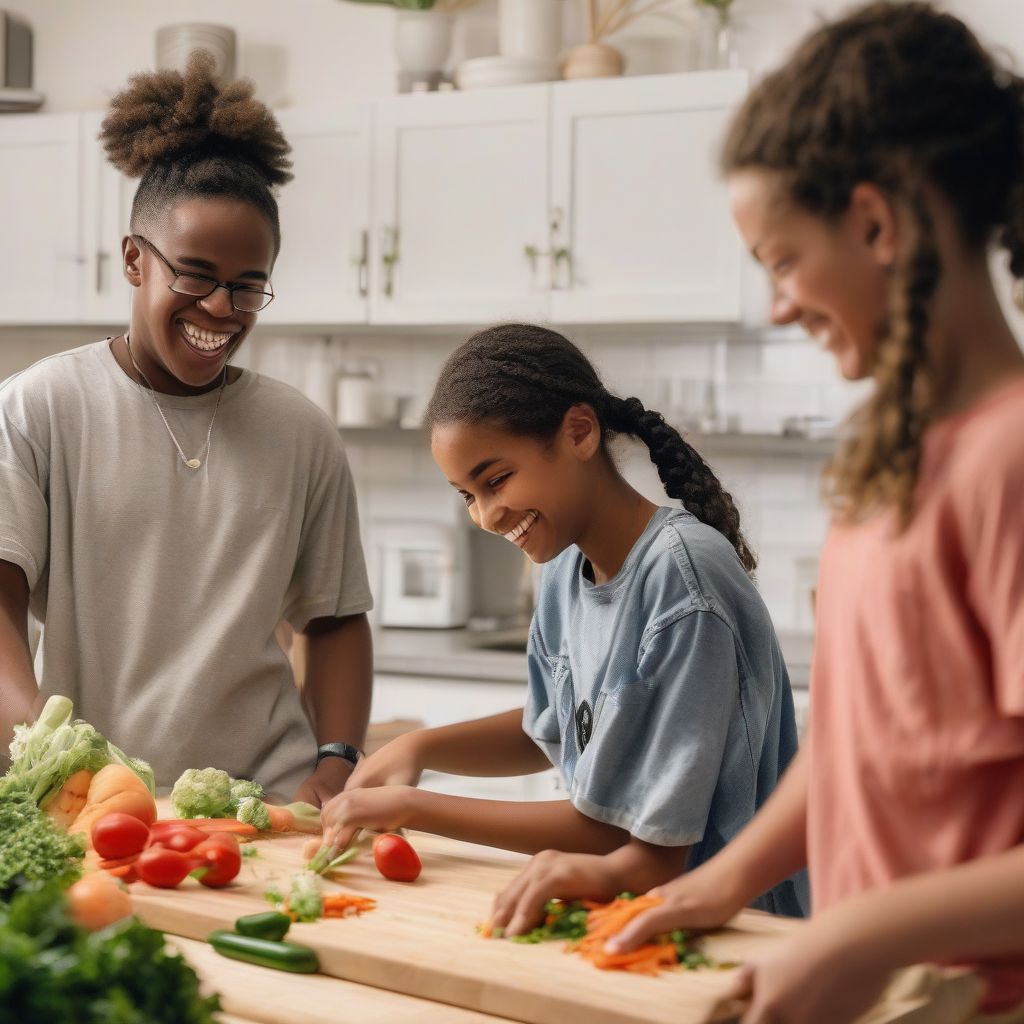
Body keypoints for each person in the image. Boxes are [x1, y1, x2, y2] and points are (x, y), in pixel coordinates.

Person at [587, 4, 1024, 1022]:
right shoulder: (892, 460)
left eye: (782, 261)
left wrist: (852, 936)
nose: (778, 304)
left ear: (876, 225)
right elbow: (860, 754)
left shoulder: (1008, 459)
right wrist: (709, 883)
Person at [319, 323, 806, 918]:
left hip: (736, 927)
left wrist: (414, 806)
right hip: (631, 914)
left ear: (579, 432)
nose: (487, 516)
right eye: (467, 495)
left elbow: (618, 836)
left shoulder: (683, 578)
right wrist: (419, 746)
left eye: (496, 480)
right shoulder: (561, 563)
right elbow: (555, 728)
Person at [0, 53, 373, 805]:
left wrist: (335, 763)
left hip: (265, 803)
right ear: (136, 260)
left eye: (247, 285)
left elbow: (333, 618)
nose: (220, 309)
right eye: (196, 274)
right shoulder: (38, 407)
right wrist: (39, 750)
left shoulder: (301, 432)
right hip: (95, 799)